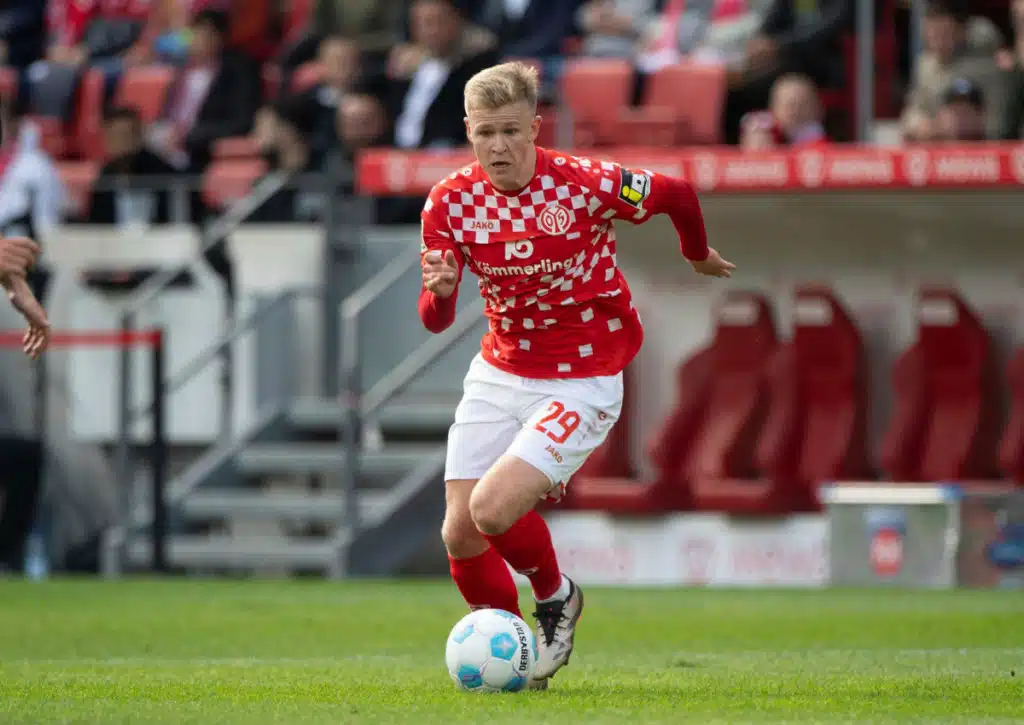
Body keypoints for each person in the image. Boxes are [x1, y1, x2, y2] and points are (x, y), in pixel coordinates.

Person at [418, 61, 734, 688]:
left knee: (492, 509)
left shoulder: (584, 182)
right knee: (459, 533)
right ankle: (513, 654)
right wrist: (441, 292)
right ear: (468, 131)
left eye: (511, 130)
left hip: (582, 375)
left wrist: (696, 255)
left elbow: (674, 194)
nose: (499, 146)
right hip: (501, 370)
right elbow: (434, 320)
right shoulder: (449, 202)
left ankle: (556, 596)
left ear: (535, 128)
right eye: (485, 133)